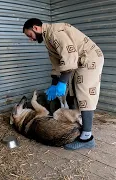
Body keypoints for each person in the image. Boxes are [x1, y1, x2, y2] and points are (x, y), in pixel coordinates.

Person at [23, 18, 104, 150]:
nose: (30, 39)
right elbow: (57, 63)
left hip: (90, 58)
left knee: (85, 93)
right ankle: (78, 127)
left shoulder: (55, 32)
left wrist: (62, 82)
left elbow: (69, 55)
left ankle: (87, 138)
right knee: (72, 91)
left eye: (30, 35)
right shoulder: (48, 38)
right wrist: (54, 83)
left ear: (35, 28)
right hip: (79, 61)